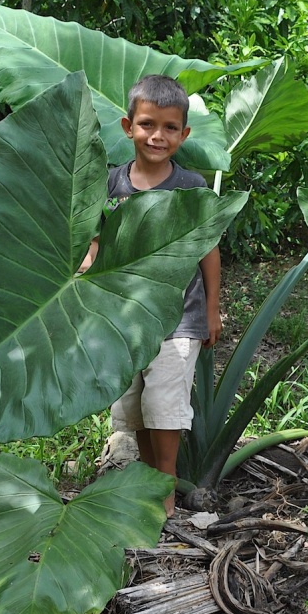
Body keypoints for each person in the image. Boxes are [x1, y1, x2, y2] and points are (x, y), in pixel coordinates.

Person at [79, 74, 222, 517]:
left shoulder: (190, 187)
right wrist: (86, 270)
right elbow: (96, 242)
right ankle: (147, 479)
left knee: (164, 404)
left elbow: (208, 250)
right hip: (124, 318)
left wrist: (213, 310)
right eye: (146, 125)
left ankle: (164, 490)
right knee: (136, 405)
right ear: (127, 126)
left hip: (179, 317)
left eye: (169, 128)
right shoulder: (111, 184)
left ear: (184, 133)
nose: (157, 136)